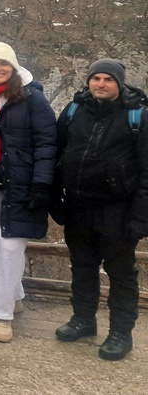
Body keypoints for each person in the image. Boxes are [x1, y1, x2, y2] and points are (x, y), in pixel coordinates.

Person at [54, 59, 148, 361]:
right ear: (89, 81)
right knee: (82, 266)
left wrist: (140, 217)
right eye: (96, 78)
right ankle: (83, 320)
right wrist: (55, 198)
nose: (101, 84)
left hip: (117, 209)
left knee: (121, 273)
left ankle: (121, 333)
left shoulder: (137, 116)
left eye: (108, 79)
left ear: (119, 83)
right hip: (78, 204)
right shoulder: (74, 111)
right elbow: (55, 153)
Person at [0, 42, 56, 343]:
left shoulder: (33, 98)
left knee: (11, 247)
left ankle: (1, 314)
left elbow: (47, 143)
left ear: (13, 66)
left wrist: (42, 183)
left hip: (23, 184)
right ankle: (13, 296)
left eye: (3, 63)